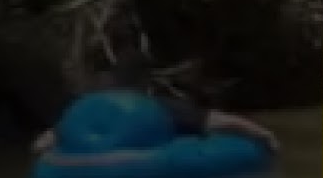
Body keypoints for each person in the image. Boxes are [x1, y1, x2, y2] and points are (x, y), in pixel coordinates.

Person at [31, 50, 280, 158]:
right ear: (146, 82)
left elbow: (41, 146)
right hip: (146, 173)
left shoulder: (90, 109)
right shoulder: (159, 108)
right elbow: (223, 123)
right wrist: (265, 136)